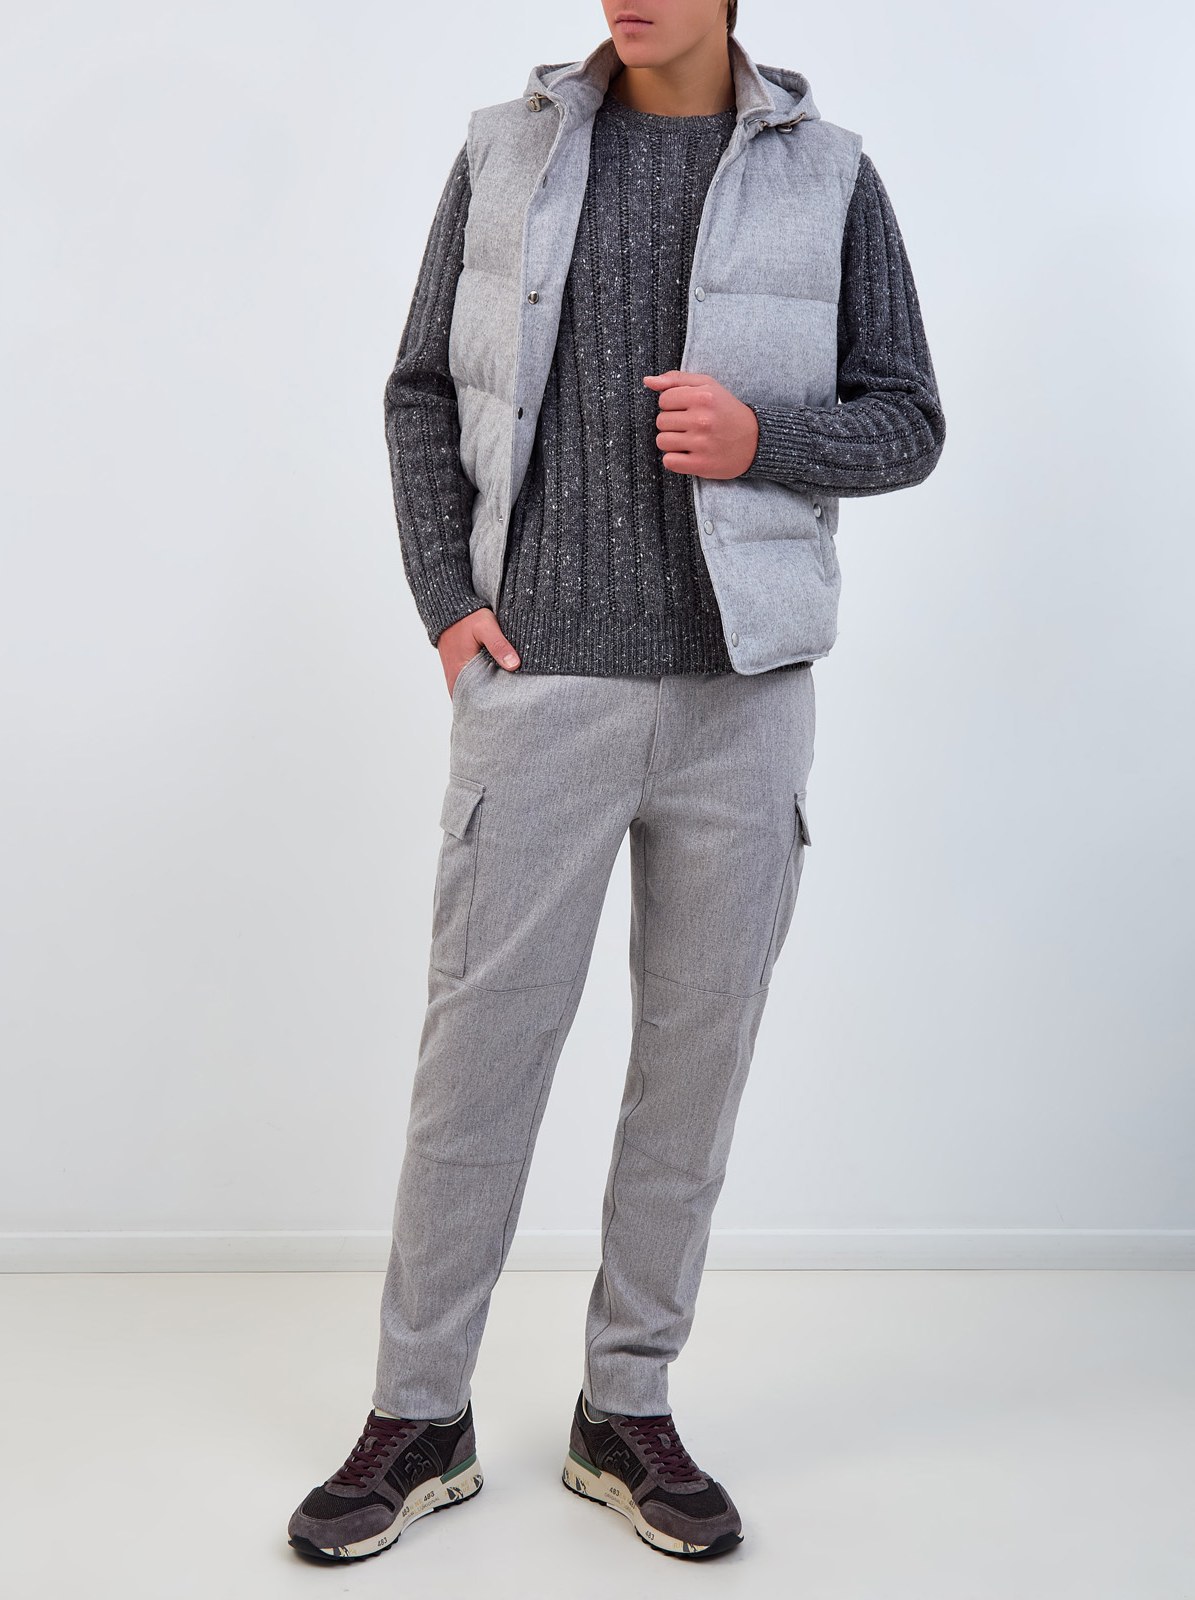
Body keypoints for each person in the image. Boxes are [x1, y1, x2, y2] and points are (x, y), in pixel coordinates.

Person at [288, 0, 944, 1565]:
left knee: (691, 1070)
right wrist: (448, 606)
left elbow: (909, 420)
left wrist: (764, 436)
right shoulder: (502, 152)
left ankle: (626, 1409)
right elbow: (421, 391)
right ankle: (419, 1415)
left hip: (744, 697)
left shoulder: (832, 175)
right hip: (540, 687)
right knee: (477, 1063)